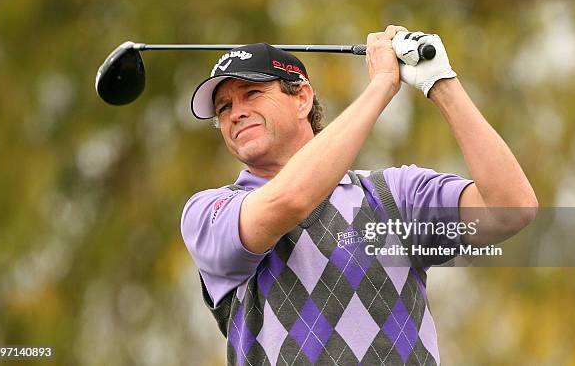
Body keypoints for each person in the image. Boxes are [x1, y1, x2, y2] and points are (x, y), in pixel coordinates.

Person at [180, 25, 538, 365]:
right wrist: (382, 84)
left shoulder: (392, 194)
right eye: (224, 107)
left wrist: (439, 82)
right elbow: (291, 200)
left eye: (252, 93)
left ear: (302, 97)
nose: (236, 113)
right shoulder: (210, 212)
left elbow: (511, 210)